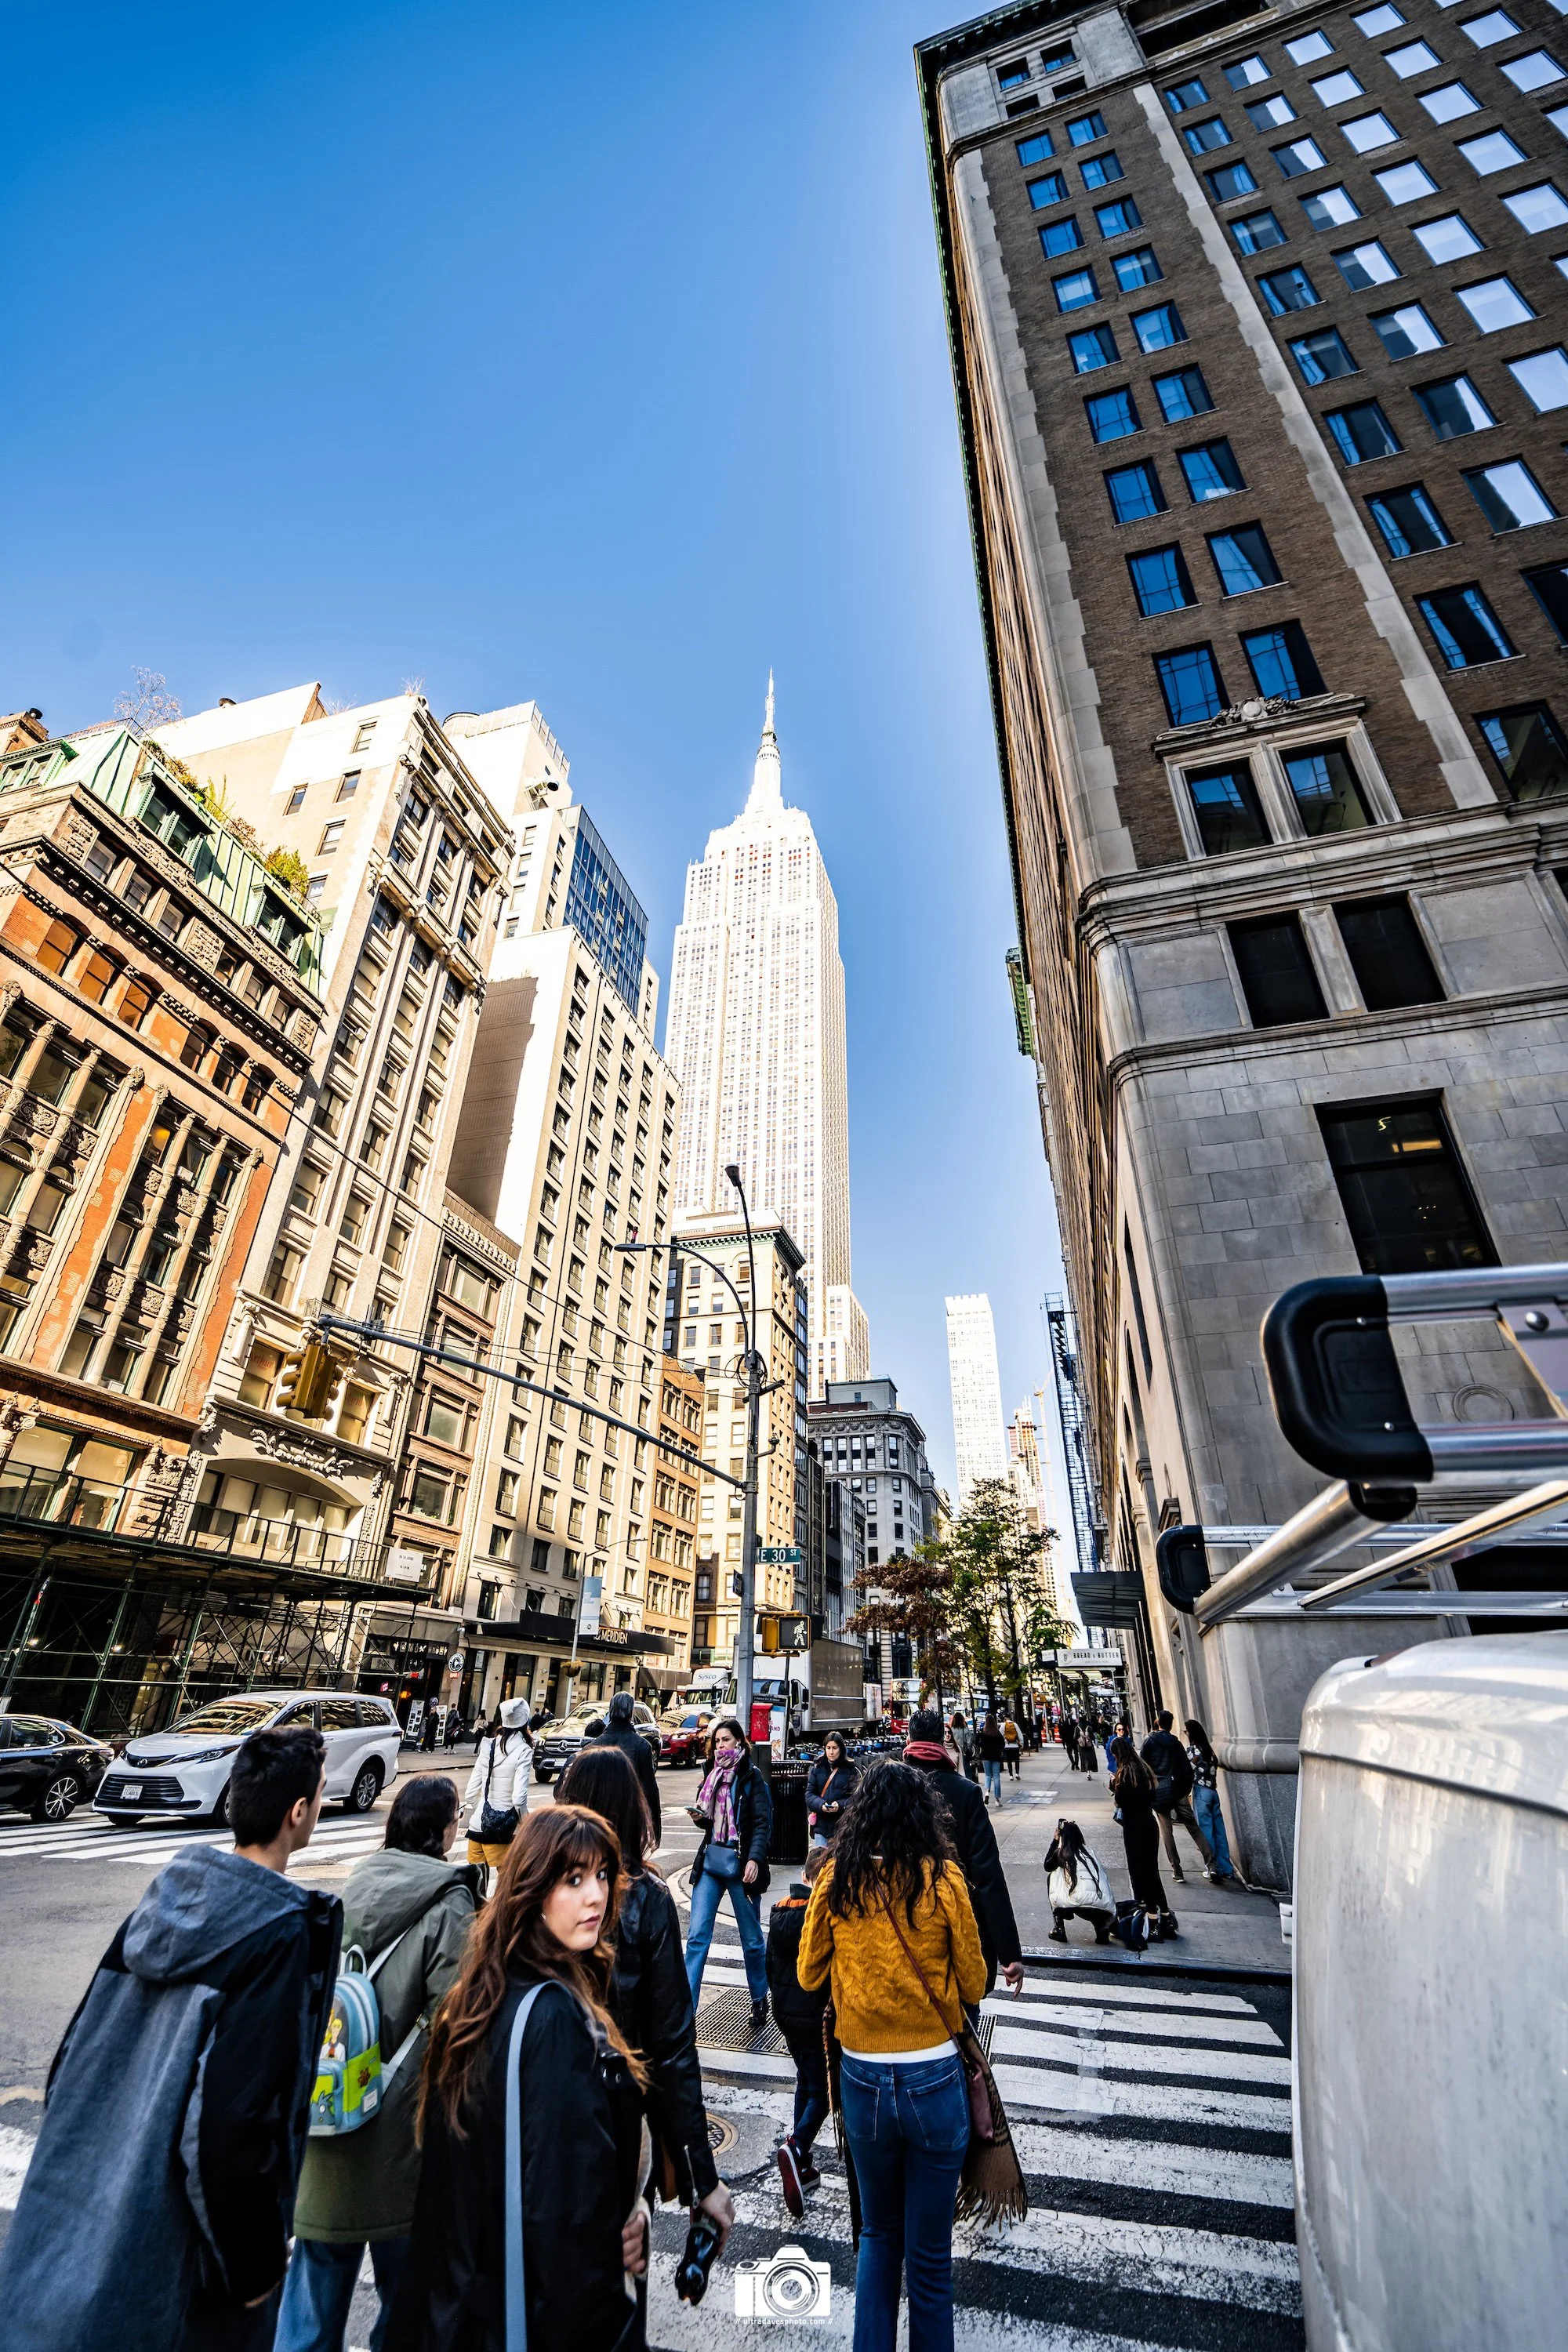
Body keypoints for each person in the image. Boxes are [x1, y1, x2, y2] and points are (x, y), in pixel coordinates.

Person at [1, 1726, 339, 2352]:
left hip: (83, 2238)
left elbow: (72, 2061)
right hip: (186, 2275)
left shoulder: (157, 1904)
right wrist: (257, 2267)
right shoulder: (279, 1931)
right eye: (320, 1794)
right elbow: (233, 2125)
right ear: (299, 1813)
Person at [387, 1804, 650, 2352]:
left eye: (602, 1875)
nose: (596, 1896)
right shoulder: (551, 2018)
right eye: (573, 1880)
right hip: (526, 2316)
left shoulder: (481, 1995)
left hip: (463, 2309)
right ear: (532, 1890)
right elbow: (563, 2214)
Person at [279, 1777, 481, 2352]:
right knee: (408, 2308)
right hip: (402, 2134)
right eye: (455, 1816)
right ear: (440, 1830)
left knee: (311, 2303)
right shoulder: (450, 1901)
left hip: (330, 2114)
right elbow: (457, 2020)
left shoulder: (355, 1885)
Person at [798, 1762, 987, 2352]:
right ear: (921, 1816)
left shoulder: (836, 1881)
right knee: (931, 2260)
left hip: (862, 2076)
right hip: (934, 2072)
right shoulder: (944, 1879)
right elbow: (975, 1983)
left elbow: (808, 1974)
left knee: (877, 2235)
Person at [556, 1746, 735, 2253]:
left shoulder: (533, 1891)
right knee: (615, 2284)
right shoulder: (646, 1899)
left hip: (536, 2114)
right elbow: (675, 2047)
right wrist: (704, 2178)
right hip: (617, 2118)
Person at [900, 1709, 1024, 1997]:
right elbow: (988, 1875)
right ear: (943, 1741)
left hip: (900, 1932)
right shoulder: (966, 1793)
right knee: (963, 2024)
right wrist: (1008, 1952)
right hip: (955, 1927)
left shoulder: (888, 1788)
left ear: (909, 1738)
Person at [684, 1717, 771, 2027]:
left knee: (751, 1941)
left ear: (739, 1741)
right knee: (696, 1937)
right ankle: (687, 2012)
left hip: (740, 1864)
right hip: (711, 1861)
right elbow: (709, 1820)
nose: (720, 1746)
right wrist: (699, 1818)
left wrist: (755, 1859)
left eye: (726, 1740)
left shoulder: (751, 1776)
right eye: (717, 1741)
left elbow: (762, 1822)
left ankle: (759, 1998)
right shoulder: (711, 1773)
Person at [764, 1844, 831, 2216]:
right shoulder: (818, 1918)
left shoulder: (778, 1914)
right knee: (823, 2089)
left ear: (804, 1877)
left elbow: (768, 1967)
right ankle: (797, 2146)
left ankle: (800, 2164)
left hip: (787, 2018)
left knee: (806, 2080)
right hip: (815, 2017)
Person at [461, 1696, 533, 1880]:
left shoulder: (487, 1746)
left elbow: (470, 1793)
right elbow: (518, 1798)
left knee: (476, 1889)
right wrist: (525, 1823)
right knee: (509, 1888)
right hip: (504, 1831)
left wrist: (484, 1811)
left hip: (477, 1827)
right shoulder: (523, 1750)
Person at [1110, 1736, 1175, 1940]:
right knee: (1152, 1871)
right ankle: (1164, 1915)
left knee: (1139, 1873)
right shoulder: (1143, 1769)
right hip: (1149, 1823)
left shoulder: (1125, 1773)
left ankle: (1150, 1919)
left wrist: (1114, 1786)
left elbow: (1121, 1801)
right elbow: (1151, 1796)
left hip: (1134, 1827)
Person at [1142, 1709, 1214, 1882]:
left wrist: (1149, 1787)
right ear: (1171, 1724)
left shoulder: (1149, 1741)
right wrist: (1184, 1788)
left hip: (1159, 1790)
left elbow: (1143, 1765)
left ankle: (1177, 1870)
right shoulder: (1175, 1742)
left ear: (1158, 1722)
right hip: (1177, 1789)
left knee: (1167, 1831)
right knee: (1194, 1828)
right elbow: (1186, 1768)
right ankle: (1212, 1865)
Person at [586, 1689, 662, 1846]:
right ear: (631, 1713)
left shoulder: (594, 1745)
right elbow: (649, 1789)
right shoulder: (642, 1746)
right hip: (630, 1819)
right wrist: (655, 1827)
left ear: (611, 1711)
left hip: (598, 1819)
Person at [1043, 1819, 1116, 1945]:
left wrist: (1055, 1841)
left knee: (1053, 1876)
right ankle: (1102, 1929)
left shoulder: (1062, 1853)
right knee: (1091, 1897)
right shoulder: (1090, 1853)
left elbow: (1047, 1866)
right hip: (1103, 1906)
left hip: (1076, 1903)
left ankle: (1059, 1929)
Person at [1185, 1718, 1237, 1882]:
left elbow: (1188, 1771)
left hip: (1201, 1792)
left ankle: (1212, 1867)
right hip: (1213, 1792)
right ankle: (1227, 1868)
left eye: (1187, 1732)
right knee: (1219, 1832)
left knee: (1206, 1831)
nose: (1186, 1734)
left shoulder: (1193, 1751)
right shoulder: (1210, 1752)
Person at [805, 1730, 858, 1845]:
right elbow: (809, 1794)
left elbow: (856, 1798)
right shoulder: (817, 1768)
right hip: (821, 1826)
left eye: (835, 1748)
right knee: (821, 1861)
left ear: (841, 1749)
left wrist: (840, 1805)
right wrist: (821, 1805)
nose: (831, 1752)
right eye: (828, 1748)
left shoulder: (850, 1770)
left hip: (842, 1826)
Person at [975, 1712, 1006, 1805]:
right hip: (996, 1756)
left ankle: (987, 1792)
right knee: (996, 1777)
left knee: (988, 1775)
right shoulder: (997, 1733)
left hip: (986, 1756)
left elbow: (977, 1742)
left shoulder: (983, 1733)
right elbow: (1002, 1744)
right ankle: (997, 1799)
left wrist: (982, 1747)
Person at [949, 1710, 977, 1783]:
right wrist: (968, 1750)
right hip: (964, 1752)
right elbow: (969, 1742)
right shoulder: (966, 1730)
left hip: (954, 1752)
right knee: (966, 1770)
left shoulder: (951, 1730)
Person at [1001, 1715, 1022, 1780]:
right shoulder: (1015, 1724)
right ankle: (1017, 1773)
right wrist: (1021, 1743)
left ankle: (1011, 1775)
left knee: (1009, 1761)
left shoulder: (1003, 1725)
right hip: (1015, 1746)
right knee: (1017, 1760)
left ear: (1005, 1718)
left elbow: (1001, 1734)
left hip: (1007, 1745)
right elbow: (1019, 1734)